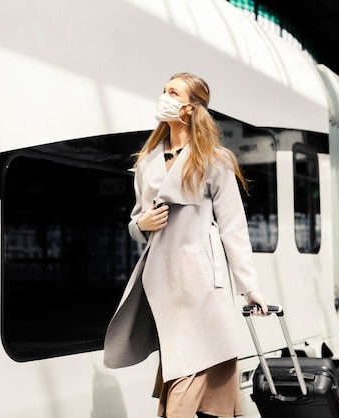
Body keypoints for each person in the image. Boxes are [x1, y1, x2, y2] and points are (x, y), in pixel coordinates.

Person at [104, 72, 268, 418]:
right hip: (163, 285)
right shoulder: (146, 161)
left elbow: (233, 227)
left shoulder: (214, 159)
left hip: (203, 287)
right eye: (163, 90)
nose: (164, 96)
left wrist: (249, 288)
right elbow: (136, 220)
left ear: (191, 109)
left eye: (173, 92)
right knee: (183, 379)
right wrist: (140, 224)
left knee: (193, 387)